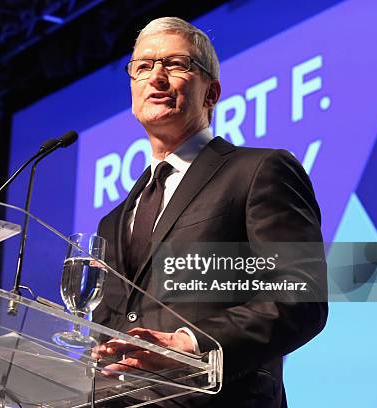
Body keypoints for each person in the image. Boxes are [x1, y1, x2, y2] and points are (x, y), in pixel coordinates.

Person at [91, 17, 327, 407]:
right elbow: (106, 332)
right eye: (143, 66)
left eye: (175, 64)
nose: (157, 77)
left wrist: (191, 344)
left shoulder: (257, 171)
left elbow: (300, 298)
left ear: (211, 92)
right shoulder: (114, 220)